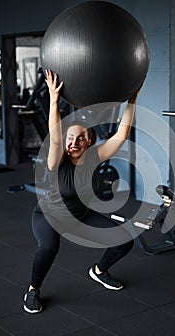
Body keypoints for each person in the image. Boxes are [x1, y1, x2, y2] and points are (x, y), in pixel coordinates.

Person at [23, 69, 142, 313]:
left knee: (125, 239)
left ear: (90, 141)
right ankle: (33, 290)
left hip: (80, 216)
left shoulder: (94, 157)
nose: (73, 143)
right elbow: (55, 139)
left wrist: (133, 99)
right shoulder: (58, 160)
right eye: (71, 138)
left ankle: (99, 271)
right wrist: (54, 100)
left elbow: (122, 133)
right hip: (49, 216)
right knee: (48, 248)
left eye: (80, 138)